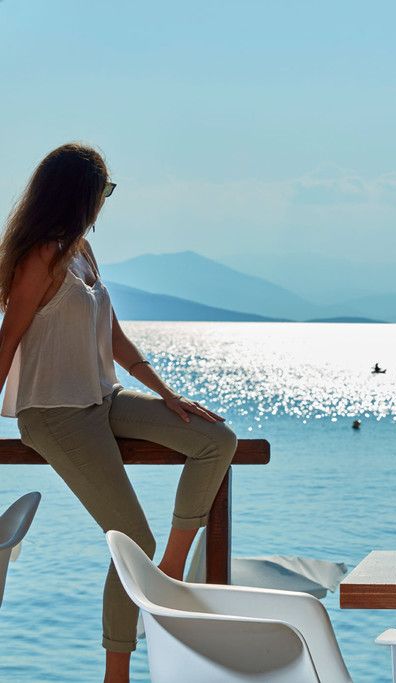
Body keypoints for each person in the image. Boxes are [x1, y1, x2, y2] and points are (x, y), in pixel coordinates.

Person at [0, 143, 237, 683]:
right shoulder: (39, 258)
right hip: (54, 414)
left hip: (102, 400)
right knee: (132, 539)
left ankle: (170, 572)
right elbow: (7, 340)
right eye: (104, 189)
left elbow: (115, 340)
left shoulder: (82, 252)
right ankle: (117, 674)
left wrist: (168, 394)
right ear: (80, 193)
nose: (105, 200)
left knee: (215, 439)